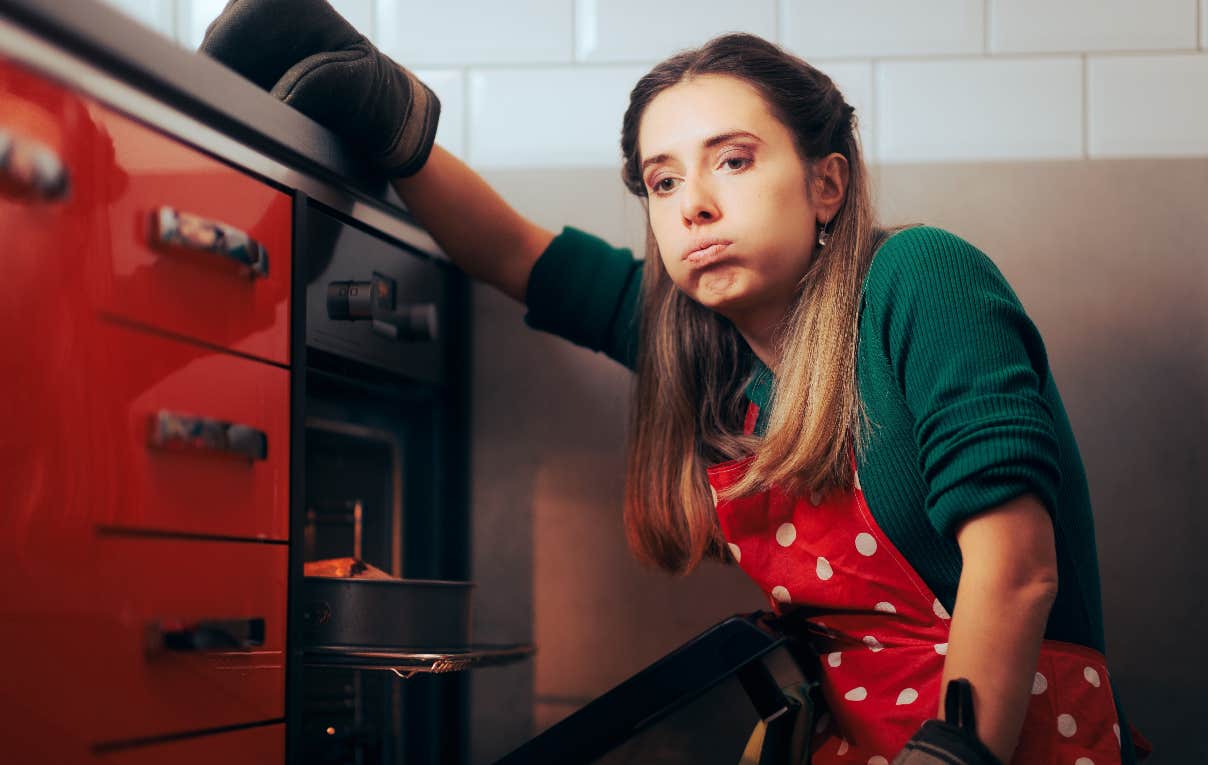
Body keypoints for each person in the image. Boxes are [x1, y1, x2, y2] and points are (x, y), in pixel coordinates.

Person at [201, 2, 1152, 763]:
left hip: (999, 739)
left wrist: (948, 756)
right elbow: (513, 253)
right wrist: (390, 122)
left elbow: (1018, 569)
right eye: (661, 181)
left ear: (826, 185)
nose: (693, 202)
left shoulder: (921, 280)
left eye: (733, 161)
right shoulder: (699, 351)